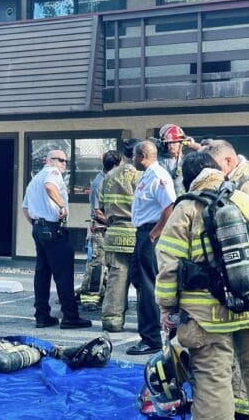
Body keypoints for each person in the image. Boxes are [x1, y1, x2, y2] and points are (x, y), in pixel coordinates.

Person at [155, 152, 249, 420]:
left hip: (208, 317)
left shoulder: (186, 209)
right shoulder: (246, 200)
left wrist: (167, 308)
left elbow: (169, 267)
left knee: (213, 377)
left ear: (190, 179)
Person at [204, 139, 249, 420]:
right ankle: (241, 409)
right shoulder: (236, 183)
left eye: (217, 167)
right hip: (245, 285)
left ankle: (245, 410)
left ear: (229, 162)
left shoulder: (248, 186)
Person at [22, 150, 91, 329]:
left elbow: (25, 208)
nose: (64, 164)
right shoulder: (52, 173)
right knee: (64, 273)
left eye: (66, 161)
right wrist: (62, 206)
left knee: (42, 273)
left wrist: (37, 224)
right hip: (52, 228)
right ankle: (70, 316)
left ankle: (42, 315)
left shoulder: (34, 179)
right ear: (49, 160)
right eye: (60, 160)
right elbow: (50, 187)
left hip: (39, 227)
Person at [127, 140, 176, 355]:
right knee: (137, 279)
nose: (132, 160)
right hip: (142, 233)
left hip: (151, 234)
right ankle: (148, 333)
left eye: (134, 156)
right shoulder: (146, 175)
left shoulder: (158, 176)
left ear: (142, 156)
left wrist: (154, 234)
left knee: (148, 286)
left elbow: (170, 206)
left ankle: (151, 338)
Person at [101, 138, 142, 333]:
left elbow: (101, 205)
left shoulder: (109, 176)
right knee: (144, 280)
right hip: (136, 232)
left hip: (114, 233)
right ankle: (145, 322)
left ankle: (112, 320)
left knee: (117, 278)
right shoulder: (141, 176)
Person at [77, 150, 122, 311]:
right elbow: (98, 211)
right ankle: (90, 299)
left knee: (107, 265)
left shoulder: (111, 180)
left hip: (107, 230)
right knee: (96, 264)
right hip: (100, 230)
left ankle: (97, 293)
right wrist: (114, 223)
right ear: (115, 166)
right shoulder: (100, 182)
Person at [157, 124, 201, 196]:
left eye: (174, 142)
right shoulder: (160, 160)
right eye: (169, 143)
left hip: (183, 198)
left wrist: (189, 144)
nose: (171, 145)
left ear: (181, 143)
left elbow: (206, 150)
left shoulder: (187, 160)